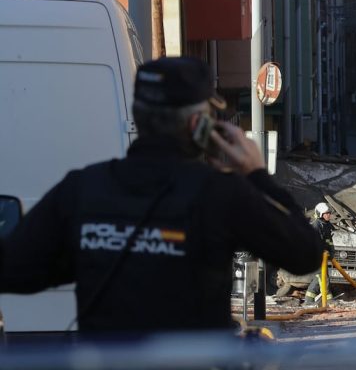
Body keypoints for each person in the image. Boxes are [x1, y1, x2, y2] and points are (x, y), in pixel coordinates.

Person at [0, 57, 323, 333]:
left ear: (139, 116)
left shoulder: (82, 188)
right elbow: (305, 254)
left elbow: (15, 271)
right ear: (199, 124)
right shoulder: (220, 193)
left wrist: (95, 254)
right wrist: (256, 174)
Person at [304, 203, 335, 306]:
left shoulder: (326, 225)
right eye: (326, 214)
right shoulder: (316, 226)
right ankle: (328, 300)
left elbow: (329, 242)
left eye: (329, 213)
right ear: (320, 214)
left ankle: (308, 300)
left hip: (324, 257)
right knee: (323, 278)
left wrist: (331, 252)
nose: (328, 215)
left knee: (319, 278)